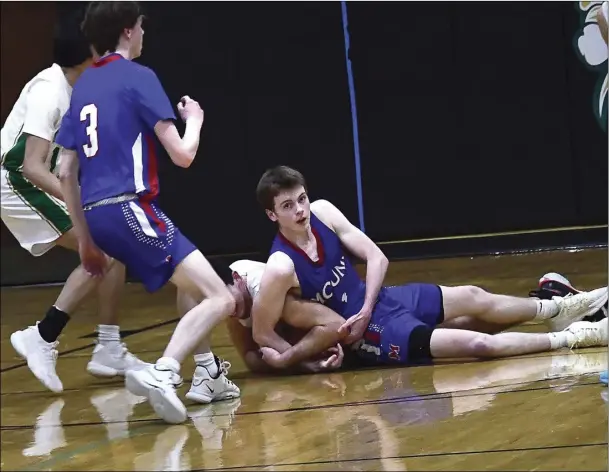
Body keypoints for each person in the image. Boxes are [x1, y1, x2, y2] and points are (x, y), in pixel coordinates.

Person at [55, 1, 239, 424]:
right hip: (128, 207)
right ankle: (166, 370)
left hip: (98, 215)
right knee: (222, 297)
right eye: (140, 27)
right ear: (126, 31)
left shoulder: (82, 86)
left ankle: (208, 373)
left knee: (191, 282)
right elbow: (182, 155)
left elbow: (66, 170)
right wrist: (194, 119)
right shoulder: (139, 77)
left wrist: (84, 240)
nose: (143, 34)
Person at [249, 166, 608, 370]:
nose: (300, 210)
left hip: (378, 302)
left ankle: (563, 307)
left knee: (473, 298)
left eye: (302, 199)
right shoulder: (281, 266)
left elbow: (377, 258)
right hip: (369, 334)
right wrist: (303, 361)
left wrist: (367, 306)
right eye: (287, 206)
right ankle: (575, 338)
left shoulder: (324, 212)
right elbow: (263, 333)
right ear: (272, 215)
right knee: (478, 343)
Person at [1, 10, 144, 393]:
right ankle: (43, 337)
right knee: (100, 249)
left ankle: (109, 347)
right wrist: (78, 201)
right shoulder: (50, 90)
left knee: (114, 246)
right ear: (88, 54)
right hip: (15, 181)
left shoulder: (80, 87)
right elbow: (30, 166)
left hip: (38, 178)